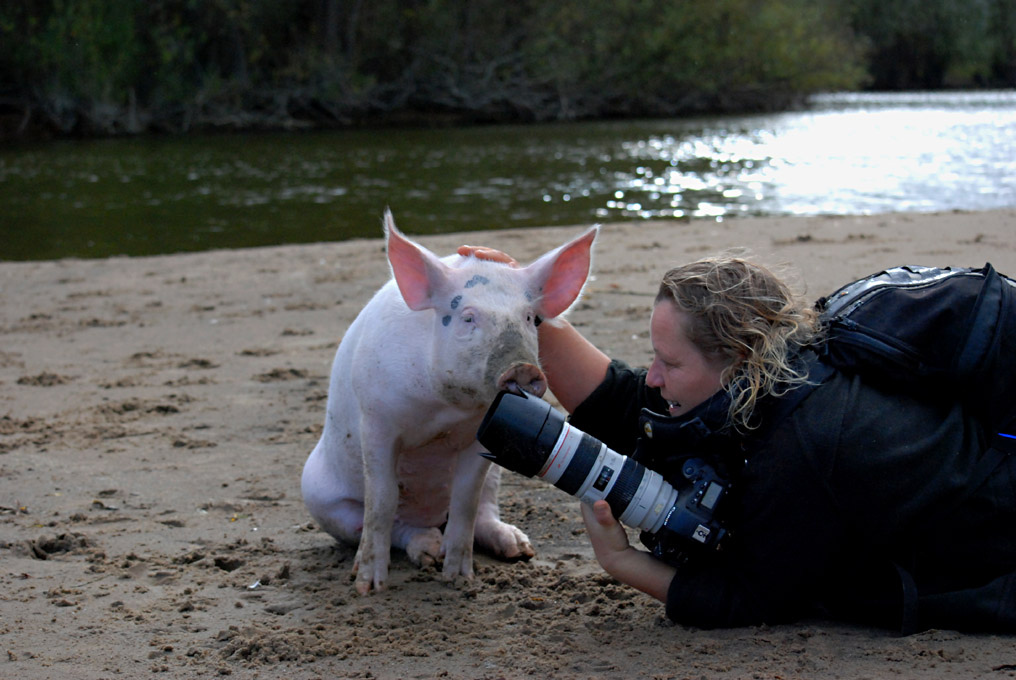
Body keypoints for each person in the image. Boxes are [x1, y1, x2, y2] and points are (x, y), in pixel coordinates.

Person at [458, 244, 1016, 633]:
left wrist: (620, 562)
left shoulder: (803, 445)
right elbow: (633, 404)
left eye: (668, 362)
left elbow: (752, 598)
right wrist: (526, 305)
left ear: (738, 358)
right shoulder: (778, 368)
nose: (653, 375)